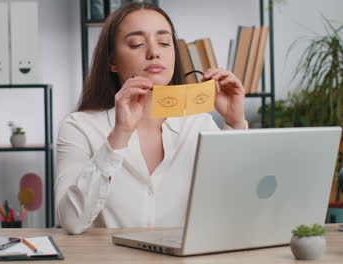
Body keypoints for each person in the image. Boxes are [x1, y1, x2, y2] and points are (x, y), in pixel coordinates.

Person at [55, 2, 247, 235]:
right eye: (136, 43)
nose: (154, 52)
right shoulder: (79, 127)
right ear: (112, 62)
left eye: (164, 43)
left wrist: (236, 124)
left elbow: (237, 206)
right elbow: (72, 222)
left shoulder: (199, 125)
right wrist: (119, 136)